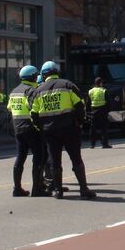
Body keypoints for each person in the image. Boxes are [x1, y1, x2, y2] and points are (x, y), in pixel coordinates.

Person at [30, 61, 96, 200]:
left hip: (50, 132)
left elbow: (34, 114)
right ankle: (83, 189)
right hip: (69, 128)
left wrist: (41, 128)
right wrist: (80, 122)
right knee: (76, 158)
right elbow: (80, 105)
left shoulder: (38, 91)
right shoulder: (67, 85)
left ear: (43, 74)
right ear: (57, 72)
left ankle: (58, 191)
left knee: (55, 161)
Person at [7, 65, 50, 197]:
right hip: (32, 129)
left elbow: (9, 108)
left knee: (20, 157)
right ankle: (37, 189)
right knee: (39, 157)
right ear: (33, 76)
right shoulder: (31, 90)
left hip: (18, 129)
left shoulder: (14, 91)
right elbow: (35, 110)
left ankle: (17, 188)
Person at [88, 77, 112, 149]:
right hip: (102, 111)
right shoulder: (103, 90)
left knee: (93, 129)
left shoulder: (91, 91)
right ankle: (104, 144)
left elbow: (88, 102)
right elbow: (108, 102)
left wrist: (88, 112)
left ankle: (92, 144)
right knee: (104, 128)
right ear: (101, 83)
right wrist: (108, 110)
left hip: (93, 111)